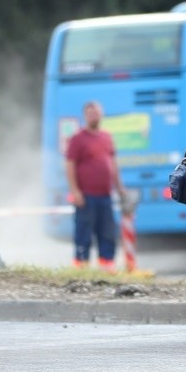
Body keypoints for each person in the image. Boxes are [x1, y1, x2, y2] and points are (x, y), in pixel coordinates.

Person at [65, 100, 122, 270]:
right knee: (83, 233)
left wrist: (120, 189)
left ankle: (107, 266)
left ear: (101, 114)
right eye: (90, 113)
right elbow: (70, 166)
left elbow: (112, 165)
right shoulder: (77, 139)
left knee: (107, 233)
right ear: (85, 116)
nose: (94, 116)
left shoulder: (106, 137)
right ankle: (81, 266)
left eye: (96, 112)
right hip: (86, 196)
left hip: (105, 195)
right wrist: (75, 192)